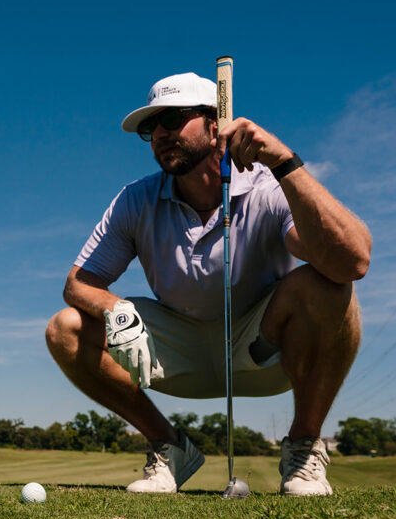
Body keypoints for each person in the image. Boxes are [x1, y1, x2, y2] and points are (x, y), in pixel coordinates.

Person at [45, 72, 371, 496]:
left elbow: (352, 260)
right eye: (150, 126)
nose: (160, 133)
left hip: (262, 344)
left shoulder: (268, 187)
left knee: (328, 284)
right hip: (174, 349)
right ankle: (170, 447)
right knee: (65, 328)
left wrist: (285, 163)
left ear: (216, 123)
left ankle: (305, 448)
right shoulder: (135, 199)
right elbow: (78, 284)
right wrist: (114, 308)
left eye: (173, 118)